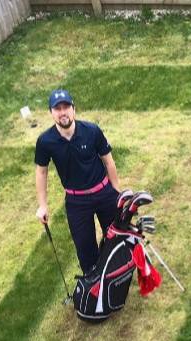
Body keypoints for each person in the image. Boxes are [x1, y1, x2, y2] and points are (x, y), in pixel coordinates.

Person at [35, 89, 121, 277]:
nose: (62, 112)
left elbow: (108, 160)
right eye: (57, 109)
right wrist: (42, 206)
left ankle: (117, 275)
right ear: (51, 113)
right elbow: (41, 172)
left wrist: (116, 191)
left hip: (104, 192)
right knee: (85, 248)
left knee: (116, 236)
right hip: (77, 202)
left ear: (74, 109)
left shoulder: (92, 131)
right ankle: (94, 282)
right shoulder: (45, 141)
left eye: (66, 107)